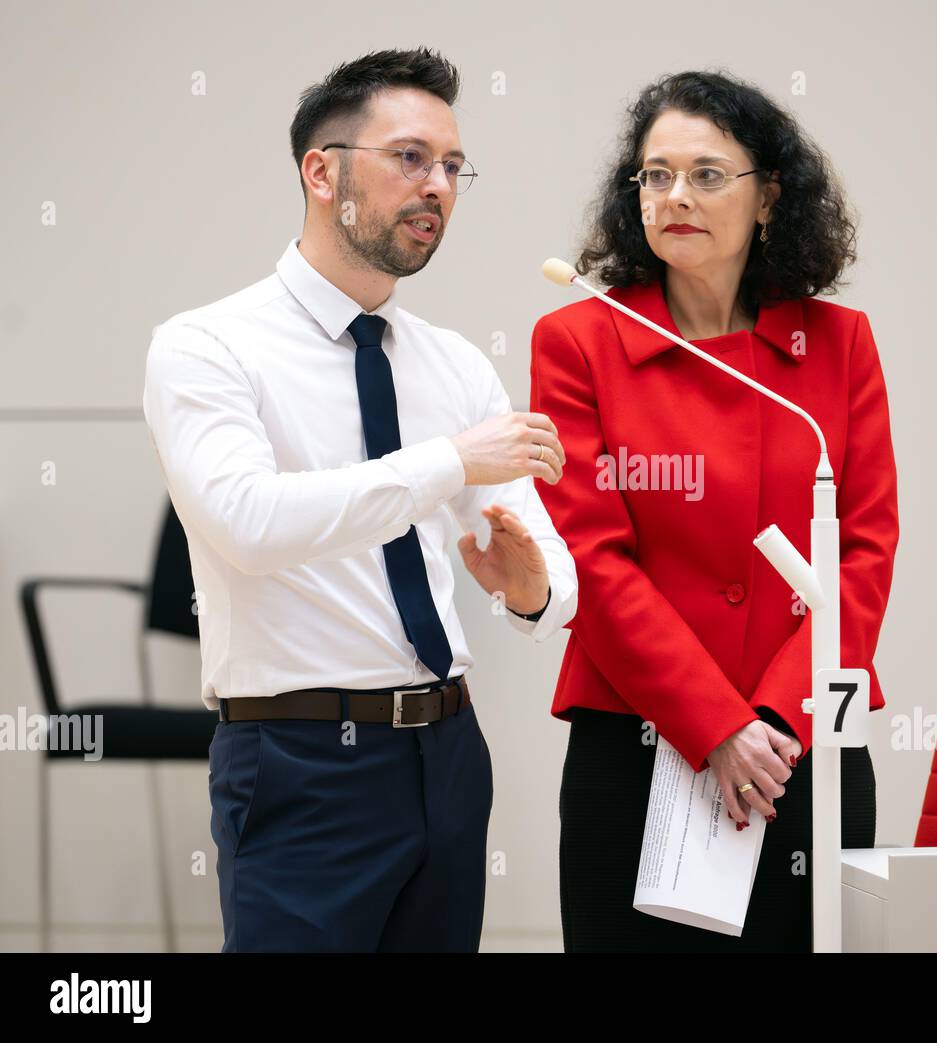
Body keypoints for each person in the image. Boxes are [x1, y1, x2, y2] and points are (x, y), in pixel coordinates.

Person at [142, 47, 577, 952]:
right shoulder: (207, 346)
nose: (439, 187)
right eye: (411, 158)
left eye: (454, 167)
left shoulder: (453, 361)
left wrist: (533, 588)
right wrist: (449, 461)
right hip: (300, 763)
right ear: (321, 170)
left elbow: (546, 567)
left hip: (450, 755)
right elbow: (249, 525)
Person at [530, 70, 898, 952]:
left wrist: (770, 722)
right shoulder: (578, 340)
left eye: (706, 173)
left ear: (769, 195)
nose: (675, 196)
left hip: (801, 748)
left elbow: (864, 552)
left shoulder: (837, 346)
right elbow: (593, 557)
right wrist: (717, 724)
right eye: (655, 176)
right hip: (637, 744)